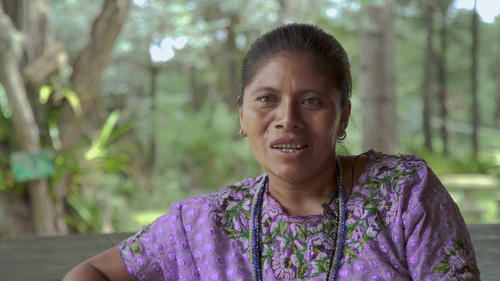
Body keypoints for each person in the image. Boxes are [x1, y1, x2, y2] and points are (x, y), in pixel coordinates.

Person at [63, 23, 480, 281]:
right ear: (242, 116)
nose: (287, 118)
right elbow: (93, 272)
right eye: (266, 99)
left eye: (312, 101)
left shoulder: (403, 196)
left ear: (343, 117)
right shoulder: (204, 226)